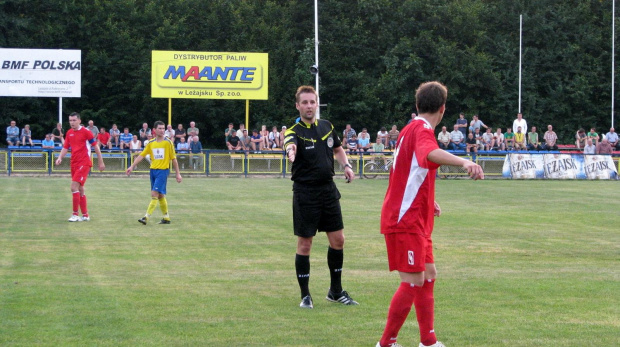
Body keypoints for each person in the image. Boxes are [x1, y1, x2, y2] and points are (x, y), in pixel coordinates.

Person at [377, 81, 484, 347]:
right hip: (406, 220)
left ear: (417, 105)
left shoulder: (409, 129)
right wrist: (465, 161)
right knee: (413, 281)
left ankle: (428, 340)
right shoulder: (423, 130)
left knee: (429, 274)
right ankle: (386, 343)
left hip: (414, 216)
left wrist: (429, 200)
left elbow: (407, 171)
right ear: (443, 109)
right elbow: (429, 154)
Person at [283, 85, 358, 309]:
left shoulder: (326, 126)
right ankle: (305, 295)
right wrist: (290, 152)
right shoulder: (294, 130)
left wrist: (346, 165)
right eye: (304, 102)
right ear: (298, 106)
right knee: (305, 244)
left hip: (328, 191)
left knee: (338, 240)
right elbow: (289, 144)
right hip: (305, 193)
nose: (308, 106)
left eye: (312, 102)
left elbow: (337, 148)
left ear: (317, 104)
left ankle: (335, 291)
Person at [126, 120, 182, 225]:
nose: (162, 130)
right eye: (160, 128)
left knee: (154, 194)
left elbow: (173, 159)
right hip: (153, 171)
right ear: (154, 130)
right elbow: (141, 155)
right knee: (160, 195)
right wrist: (132, 166)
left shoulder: (168, 142)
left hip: (163, 171)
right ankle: (166, 218)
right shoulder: (151, 143)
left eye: (163, 128)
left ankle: (146, 217)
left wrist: (178, 174)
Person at [54, 112, 106, 222]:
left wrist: (100, 162)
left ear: (79, 121)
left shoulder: (86, 132)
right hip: (74, 163)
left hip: (84, 162)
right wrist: (60, 158)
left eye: (74, 120)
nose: (72, 122)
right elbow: (65, 147)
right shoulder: (69, 133)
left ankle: (75, 214)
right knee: (80, 188)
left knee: (73, 187)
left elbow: (96, 147)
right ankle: (85, 215)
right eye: (70, 120)